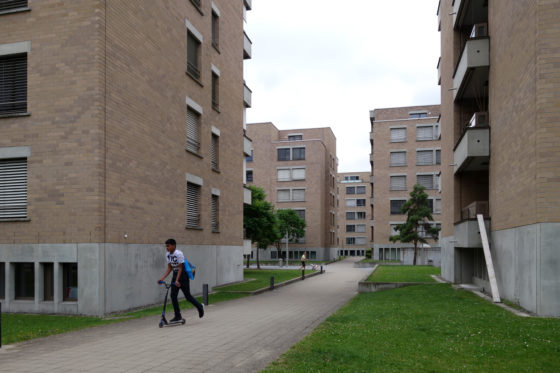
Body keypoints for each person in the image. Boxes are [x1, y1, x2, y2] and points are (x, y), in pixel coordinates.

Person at [158, 238, 204, 322]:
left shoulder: (178, 253)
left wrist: (177, 280)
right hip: (175, 274)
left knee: (188, 296)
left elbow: (180, 267)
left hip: (183, 275)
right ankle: (178, 316)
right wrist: (162, 278)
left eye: (168, 246)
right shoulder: (168, 255)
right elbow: (169, 268)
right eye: (166, 246)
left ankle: (199, 307)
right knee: (173, 296)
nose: (167, 248)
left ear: (174, 246)